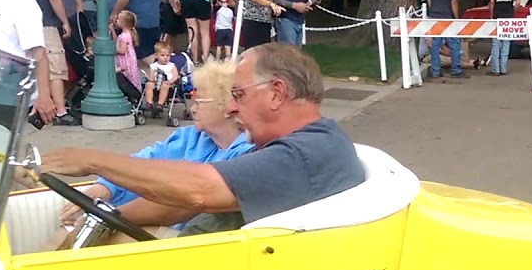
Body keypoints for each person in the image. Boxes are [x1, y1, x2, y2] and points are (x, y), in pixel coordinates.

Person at [40, 42, 365, 235]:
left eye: (238, 94)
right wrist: (106, 216)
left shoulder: (303, 153)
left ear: (276, 93)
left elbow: (198, 190)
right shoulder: (310, 143)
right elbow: (180, 207)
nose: (233, 105)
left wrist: (94, 161)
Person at [56, 58, 256, 236]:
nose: (192, 108)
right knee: (69, 233)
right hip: (151, 228)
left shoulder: (246, 153)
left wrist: (107, 216)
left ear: (228, 107)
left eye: (199, 101)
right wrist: (103, 188)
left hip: (185, 241)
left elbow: (179, 203)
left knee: (72, 238)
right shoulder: (189, 136)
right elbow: (142, 163)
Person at [15, 0, 73, 126]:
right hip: (44, 20)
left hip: (16, 21)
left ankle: (27, 108)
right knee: (55, 65)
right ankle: (60, 111)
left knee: (24, 65)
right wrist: (64, 21)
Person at [426, 0, 467, 79]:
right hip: (447, 16)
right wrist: (456, 17)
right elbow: (453, 0)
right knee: (455, 43)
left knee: (435, 44)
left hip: (435, 15)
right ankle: (456, 70)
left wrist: (433, 9)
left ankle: (435, 71)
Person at [487, 0, 520, 76]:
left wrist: (492, 15)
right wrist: (512, 11)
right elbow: (518, 2)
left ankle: (495, 69)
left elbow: (492, 0)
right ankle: (504, 68)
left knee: (496, 42)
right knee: (506, 42)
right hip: (508, 14)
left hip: (497, 13)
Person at [143, 41, 179, 117]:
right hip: (155, 84)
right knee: (149, 84)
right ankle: (149, 103)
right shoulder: (153, 66)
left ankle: (160, 104)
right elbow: (151, 76)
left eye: (168, 55)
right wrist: (151, 80)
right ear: (156, 56)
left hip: (168, 85)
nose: (165, 57)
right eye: (162, 55)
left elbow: (176, 76)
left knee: (165, 85)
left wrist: (170, 81)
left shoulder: (172, 65)